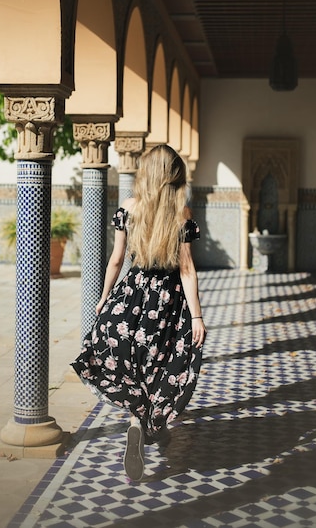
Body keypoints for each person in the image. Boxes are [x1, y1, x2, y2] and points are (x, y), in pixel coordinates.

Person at [71, 144, 207, 481]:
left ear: (145, 174)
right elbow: (187, 269)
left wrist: (104, 299)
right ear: (175, 177)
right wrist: (196, 317)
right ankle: (148, 423)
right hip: (168, 302)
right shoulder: (182, 214)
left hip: (132, 295)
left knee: (131, 361)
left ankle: (137, 422)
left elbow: (116, 260)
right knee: (159, 364)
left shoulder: (128, 208)